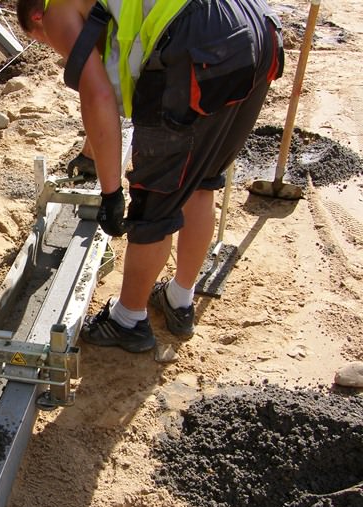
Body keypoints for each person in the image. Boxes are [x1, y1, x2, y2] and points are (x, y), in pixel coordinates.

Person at [17, 0, 283, 352]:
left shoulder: (54, 9)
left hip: (197, 44)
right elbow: (104, 92)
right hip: (254, 33)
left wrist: (112, 193)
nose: (54, 46)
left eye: (42, 40)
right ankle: (179, 299)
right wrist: (89, 154)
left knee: (152, 203)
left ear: (37, 17)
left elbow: (95, 93)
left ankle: (128, 320)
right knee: (199, 181)